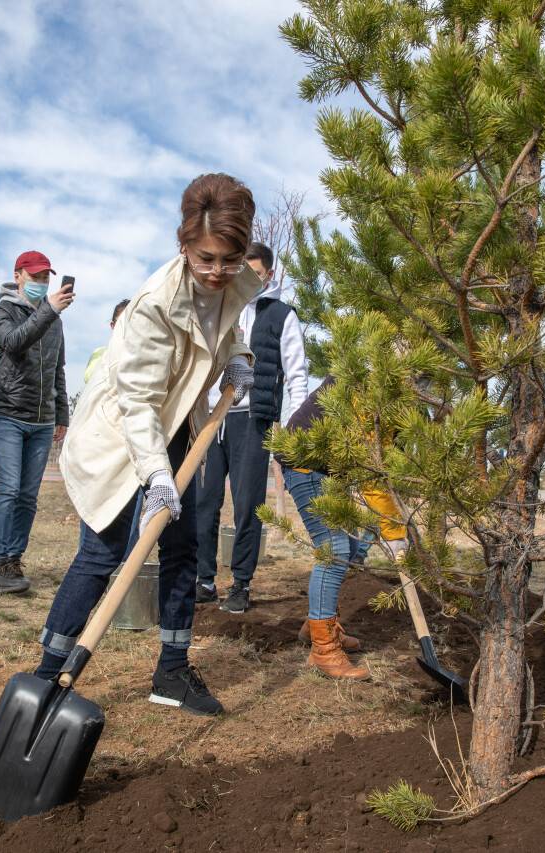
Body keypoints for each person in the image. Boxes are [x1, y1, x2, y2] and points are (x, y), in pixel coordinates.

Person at [32, 173, 261, 717]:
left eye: (228, 260)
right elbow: (137, 403)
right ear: (184, 246)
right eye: (205, 258)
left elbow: (227, 332)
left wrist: (237, 359)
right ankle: (46, 677)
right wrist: (157, 476)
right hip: (123, 437)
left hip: (179, 428)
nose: (216, 272)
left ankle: (172, 673)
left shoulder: (231, 284)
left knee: (182, 549)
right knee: (103, 552)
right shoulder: (155, 304)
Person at [196, 241, 309, 613]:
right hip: (213, 419)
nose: (249, 280)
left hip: (252, 421)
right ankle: (204, 579)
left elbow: (296, 375)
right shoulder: (220, 306)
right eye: (244, 272)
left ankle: (241, 583)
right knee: (205, 500)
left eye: (257, 274)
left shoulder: (281, 315)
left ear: (269, 276)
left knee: (247, 505)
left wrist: (295, 426)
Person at [279, 377, 407, 679]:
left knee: (346, 549)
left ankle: (317, 625)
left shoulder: (393, 396)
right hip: (306, 462)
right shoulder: (374, 389)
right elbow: (372, 471)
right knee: (333, 550)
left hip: (326, 469)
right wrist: (395, 534)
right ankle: (323, 650)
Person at [0, 250, 75, 595]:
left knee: (27, 496)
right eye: (35, 277)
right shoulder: (0, 311)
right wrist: (49, 310)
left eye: (46, 278)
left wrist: (61, 414)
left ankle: (12, 560)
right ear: (18, 276)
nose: (42, 283)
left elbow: (57, 370)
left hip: (41, 420)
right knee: (6, 489)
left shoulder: (55, 322)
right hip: (6, 413)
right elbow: (14, 342)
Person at [83, 299, 130, 384]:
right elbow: (89, 378)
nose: (126, 326)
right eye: (121, 321)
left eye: (132, 321)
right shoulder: (99, 353)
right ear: (113, 325)